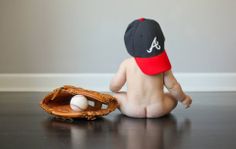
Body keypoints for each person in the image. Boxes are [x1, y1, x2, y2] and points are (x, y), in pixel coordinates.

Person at [110, 18, 192, 118]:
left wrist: (115, 89)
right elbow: (173, 86)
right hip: (158, 109)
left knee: (115, 97)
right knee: (173, 97)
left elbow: (114, 87)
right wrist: (183, 99)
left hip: (132, 109)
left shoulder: (127, 64)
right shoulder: (162, 63)